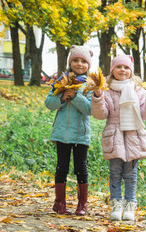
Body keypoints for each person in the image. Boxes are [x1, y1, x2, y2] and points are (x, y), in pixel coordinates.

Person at [91, 54, 146, 221]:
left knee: (131, 174)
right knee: (114, 172)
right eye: (119, 67)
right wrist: (98, 97)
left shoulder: (139, 90)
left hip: (134, 135)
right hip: (114, 135)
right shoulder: (106, 89)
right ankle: (116, 204)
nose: (123, 70)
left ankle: (130, 205)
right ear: (113, 70)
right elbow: (101, 114)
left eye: (126, 67)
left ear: (131, 71)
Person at [45, 45, 93, 216]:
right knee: (62, 167)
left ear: (88, 64)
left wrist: (76, 95)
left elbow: (89, 110)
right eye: (75, 60)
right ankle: (60, 203)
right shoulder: (61, 81)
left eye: (83, 61)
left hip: (81, 134)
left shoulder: (89, 84)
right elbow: (49, 104)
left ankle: (82, 204)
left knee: (81, 168)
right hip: (62, 133)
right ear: (70, 62)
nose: (79, 64)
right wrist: (63, 97)